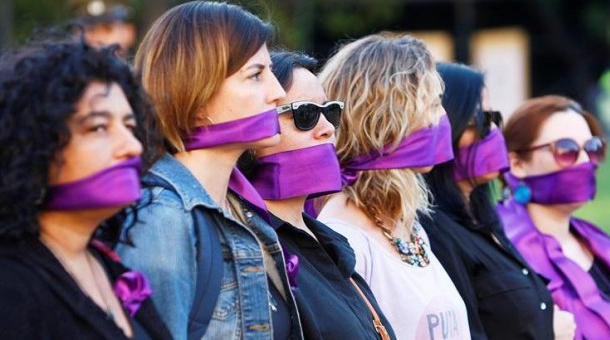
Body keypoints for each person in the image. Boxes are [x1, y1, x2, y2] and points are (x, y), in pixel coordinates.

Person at [0, 39, 171, 339]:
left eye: (129, 126)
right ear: (32, 146)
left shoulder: (105, 265)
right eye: (99, 127)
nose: (132, 146)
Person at [116, 2, 302, 339]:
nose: (278, 93)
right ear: (197, 96)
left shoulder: (243, 210)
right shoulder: (163, 220)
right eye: (256, 75)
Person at [317, 32, 471, 339]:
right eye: (432, 103)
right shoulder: (345, 238)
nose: (442, 116)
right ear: (387, 118)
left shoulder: (406, 223)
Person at [238, 50, 395, 339]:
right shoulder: (245, 248)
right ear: (254, 129)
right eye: (305, 114)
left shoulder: (328, 239)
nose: (326, 129)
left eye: (330, 112)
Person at [419, 63, 575, 339]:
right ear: (446, 129)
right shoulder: (433, 233)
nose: (492, 132)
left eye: (494, 118)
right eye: (479, 121)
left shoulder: (483, 218)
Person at [498, 95, 610, 339]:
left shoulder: (596, 239)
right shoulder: (505, 255)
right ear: (517, 164)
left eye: (592, 148)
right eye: (566, 150)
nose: (585, 161)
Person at [69, 0, 137, 58]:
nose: (98, 38)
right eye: (90, 30)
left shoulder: (143, 72)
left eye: (107, 30)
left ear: (129, 33)